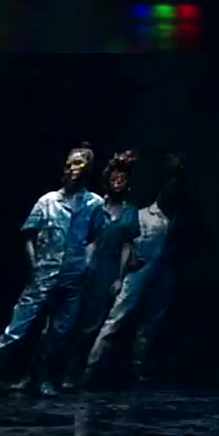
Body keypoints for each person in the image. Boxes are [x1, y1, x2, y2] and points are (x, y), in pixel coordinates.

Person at [0, 143, 108, 398]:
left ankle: (43, 375)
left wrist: (86, 263)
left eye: (78, 163)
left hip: (73, 274)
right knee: (19, 326)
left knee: (59, 331)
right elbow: (28, 234)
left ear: (88, 167)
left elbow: (96, 236)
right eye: (69, 164)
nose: (72, 168)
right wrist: (34, 263)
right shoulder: (48, 201)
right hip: (44, 271)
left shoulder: (95, 204)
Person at [84, 154, 189, 387]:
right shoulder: (143, 216)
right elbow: (129, 244)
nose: (174, 189)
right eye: (171, 184)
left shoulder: (180, 221)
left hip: (162, 277)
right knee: (116, 320)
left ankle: (137, 370)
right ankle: (90, 368)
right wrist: (126, 270)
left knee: (149, 325)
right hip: (137, 275)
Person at [62, 150, 140, 387]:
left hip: (107, 269)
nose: (118, 182)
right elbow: (86, 237)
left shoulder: (129, 211)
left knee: (92, 323)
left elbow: (127, 245)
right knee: (71, 317)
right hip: (86, 264)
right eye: (115, 177)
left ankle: (74, 373)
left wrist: (119, 278)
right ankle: (53, 370)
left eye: (123, 179)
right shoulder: (96, 204)